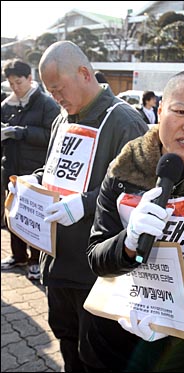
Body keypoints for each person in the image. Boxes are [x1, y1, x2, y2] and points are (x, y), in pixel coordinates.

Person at [83, 69, 184, 372]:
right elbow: (96, 256)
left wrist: (173, 314)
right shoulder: (122, 170)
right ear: (160, 109)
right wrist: (128, 244)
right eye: (181, 111)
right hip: (114, 342)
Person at [7, 41, 148, 372]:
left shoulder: (124, 122)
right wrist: (31, 182)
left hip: (97, 273)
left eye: (59, 89)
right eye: (51, 91)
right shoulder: (62, 118)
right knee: (67, 343)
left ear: (84, 73)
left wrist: (85, 204)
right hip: (56, 264)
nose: (56, 97)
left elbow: (138, 191)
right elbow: (55, 172)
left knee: (97, 357)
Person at [1, 59, 60, 279]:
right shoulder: (7, 105)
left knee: (34, 218)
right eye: (11, 84)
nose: (15, 87)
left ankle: (36, 260)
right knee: (12, 216)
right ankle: (18, 256)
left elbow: (52, 136)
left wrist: (22, 132)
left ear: (29, 79)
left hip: (35, 172)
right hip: (11, 170)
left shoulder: (46, 104)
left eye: (19, 82)